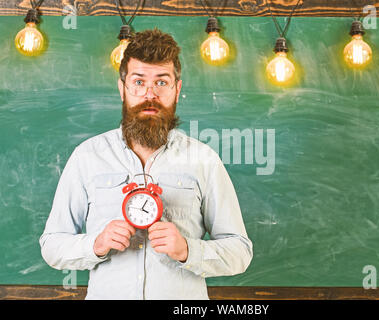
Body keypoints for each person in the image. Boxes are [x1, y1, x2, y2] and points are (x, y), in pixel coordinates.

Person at [39, 28, 253, 300]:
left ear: (177, 89)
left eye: (161, 83)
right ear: (123, 88)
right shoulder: (87, 157)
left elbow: (240, 252)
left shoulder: (204, 160)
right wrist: (96, 244)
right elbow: (51, 245)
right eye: (139, 82)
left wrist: (188, 250)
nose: (149, 94)